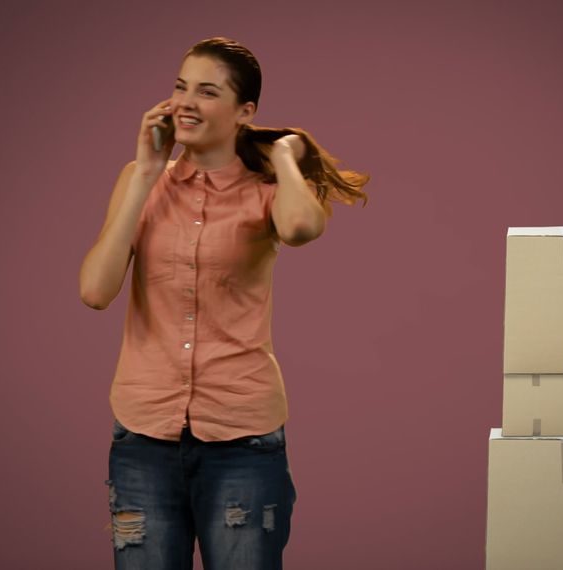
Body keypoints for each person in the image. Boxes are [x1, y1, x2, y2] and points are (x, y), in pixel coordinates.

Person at [78, 36, 370, 570]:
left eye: (207, 92)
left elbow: (303, 226)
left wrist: (283, 154)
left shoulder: (266, 191)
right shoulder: (139, 181)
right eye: (179, 86)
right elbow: (95, 292)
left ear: (245, 111)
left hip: (242, 439)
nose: (185, 101)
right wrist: (146, 172)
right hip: (144, 435)